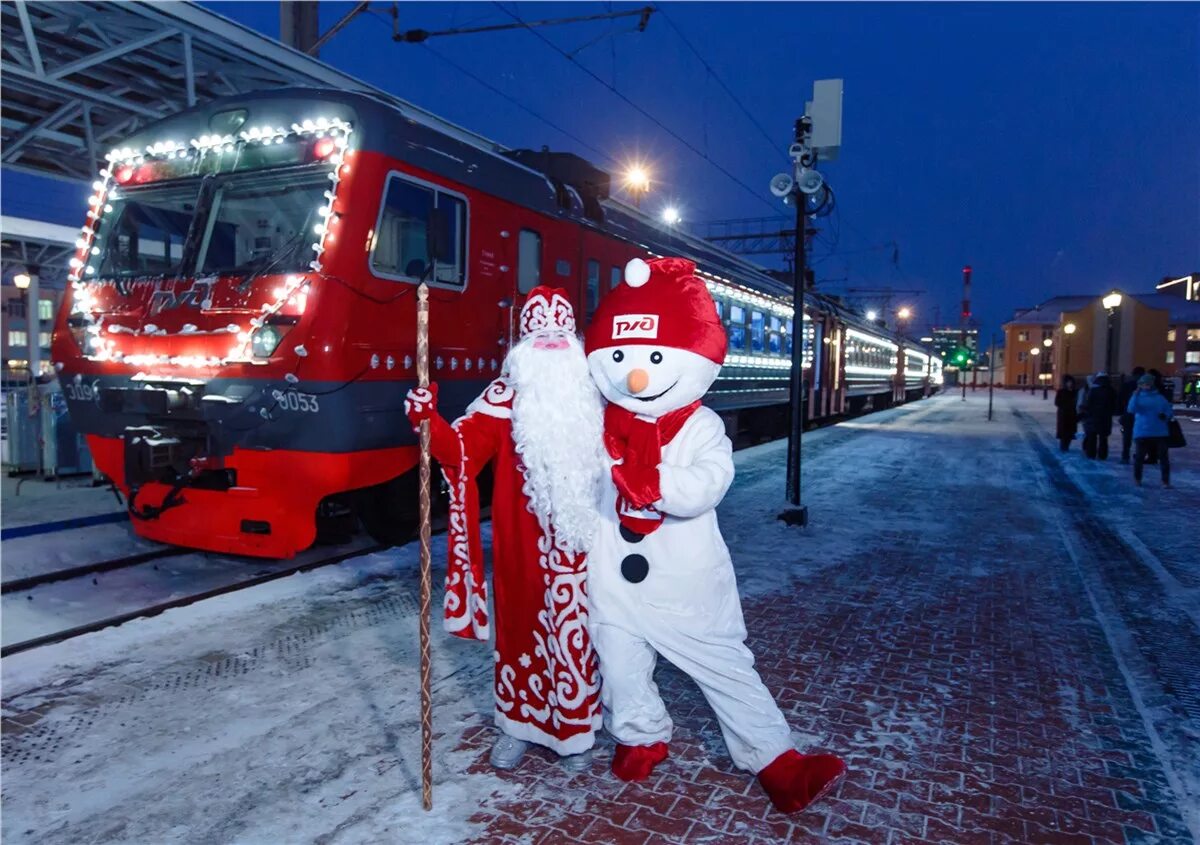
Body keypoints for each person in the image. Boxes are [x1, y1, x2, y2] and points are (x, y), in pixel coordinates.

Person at [583, 257, 846, 814]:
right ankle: (640, 735)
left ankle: (776, 760)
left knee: (723, 668)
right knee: (620, 666)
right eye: (623, 357)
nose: (636, 375)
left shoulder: (701, 426)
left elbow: (710, 483)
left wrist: (653, 483)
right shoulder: (600, 425)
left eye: (655, 358)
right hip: (612, 580)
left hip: (685, 584)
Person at [404, 286, 606, 771]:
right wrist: (427, 418)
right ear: (523, 344)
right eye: (542, 334)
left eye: (562, 332)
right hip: (522, 548)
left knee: (585, 637)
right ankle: (518, 725)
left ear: (574, 339)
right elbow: (461, 451)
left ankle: (576, 733)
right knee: (517, 633)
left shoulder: (594, 391)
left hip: (588, 546)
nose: (554, 342)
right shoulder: (503, 396)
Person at [1127, 372, 1175, 487]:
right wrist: (1135, 395)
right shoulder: (1137, 397)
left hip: (1159, 431)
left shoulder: (1160, 398)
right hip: (1143, 432)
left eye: (1147, 384)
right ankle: (1137, 479)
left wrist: (1166, 415)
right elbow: (1131, 409)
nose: (1145, 386)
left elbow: (1169, 410)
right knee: (1139, 458)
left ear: (1152, 384)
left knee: (1163, 458)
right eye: (1143, 384)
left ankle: (1165, 481)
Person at [1081, 372, 1117, 460]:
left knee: (1092, 437)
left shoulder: (1094, 390)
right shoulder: (1111, 390)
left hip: (1094, 416)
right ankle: (1102, 454)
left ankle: (1091, 453)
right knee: (1103, 438)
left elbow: (1088, 403)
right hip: (1106, 417)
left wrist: (1086, 411)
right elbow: (1115, 404)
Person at [1118, 366, 1145, 464]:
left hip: (1128, 414)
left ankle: (1125, 456)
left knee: (1127, 436)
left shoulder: (1127, 385)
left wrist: (1121, 413)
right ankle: (1139, 455)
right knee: (1140, 437)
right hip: (1141, 415)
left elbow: (1120, 400)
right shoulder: (1145, 386)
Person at [1054, 375, 1079, 452]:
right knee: (1064, 431)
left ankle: (1066, 446)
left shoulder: (1075, 392)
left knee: (1070, 431)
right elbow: (1057, 402)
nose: (1070, 384)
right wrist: (1066, 405)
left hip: (1072, 414)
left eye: (1071, 382)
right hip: (1063, 414)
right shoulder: (1061, 391)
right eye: (1068, 382)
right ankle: (1063, 446)